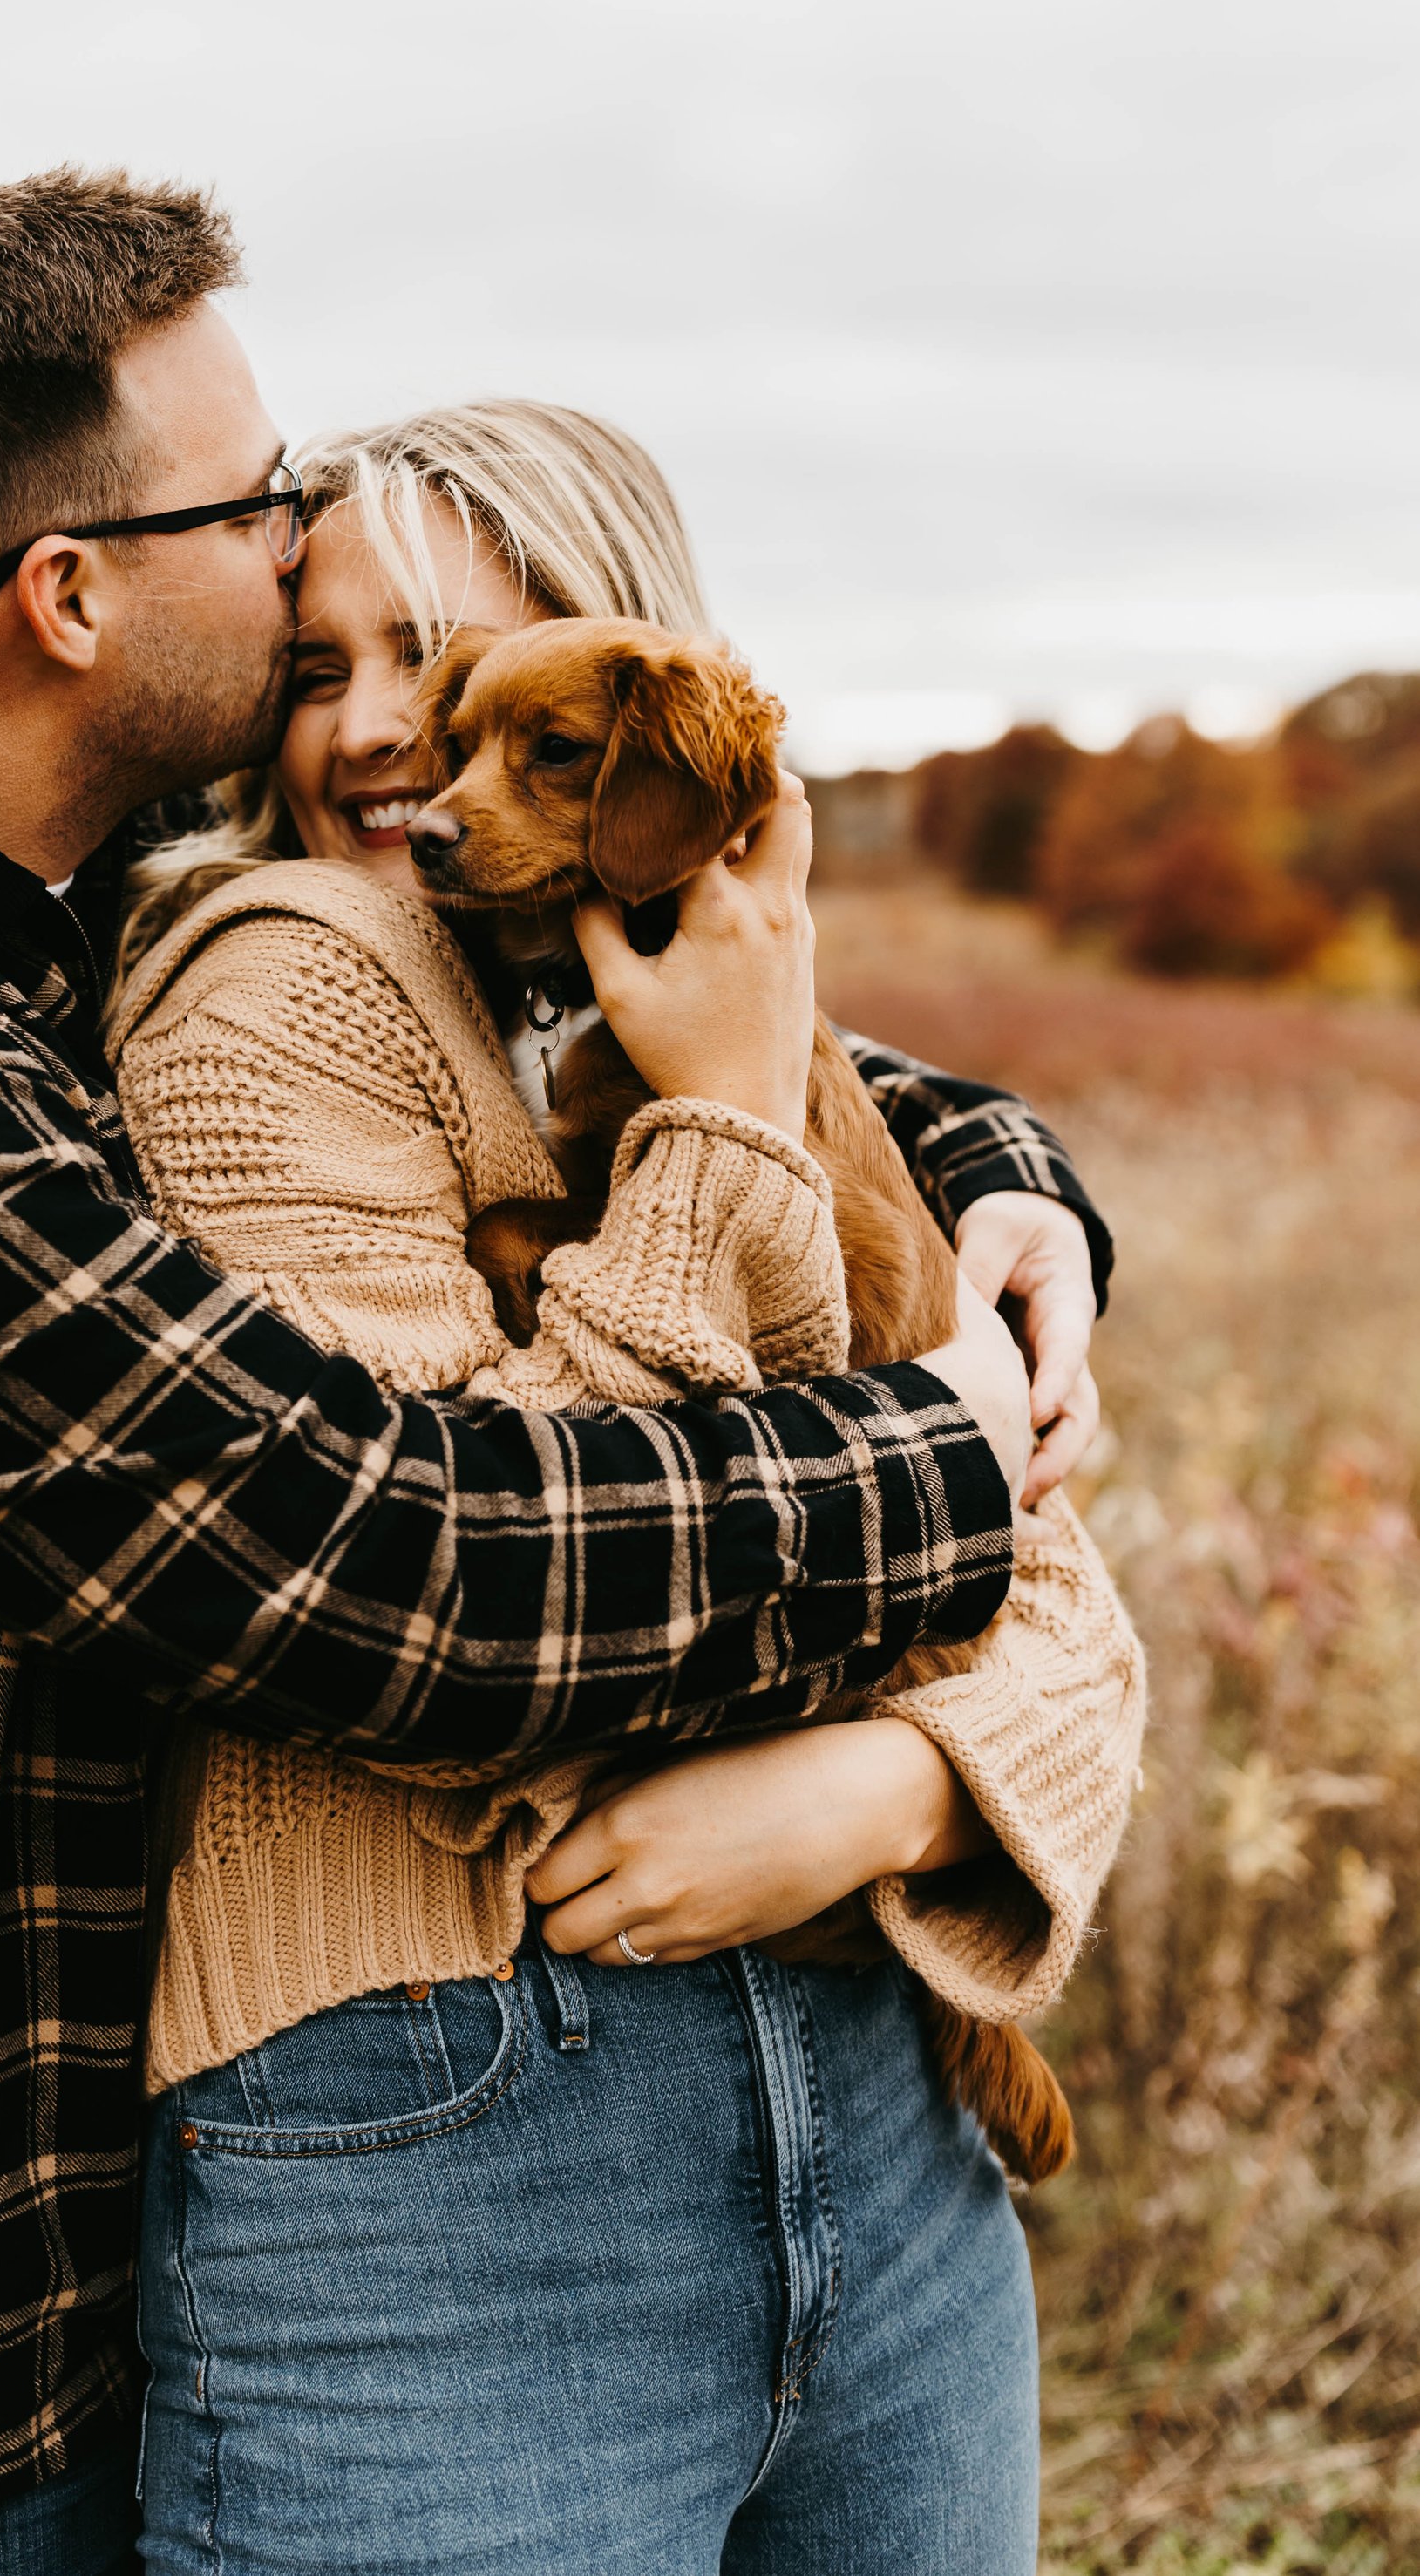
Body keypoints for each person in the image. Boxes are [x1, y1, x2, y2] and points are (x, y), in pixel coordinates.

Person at [0, 173, 1053, 2573]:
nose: (303, 533)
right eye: (264, 494)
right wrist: (953, 1453)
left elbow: (613, 1043)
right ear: (67, 594)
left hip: (171, 2228)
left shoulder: (21, 881)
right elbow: (390, 1563)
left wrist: (1008, 1178)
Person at [110, 401, 1143, 2575]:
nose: (394, 741)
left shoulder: (667, 1004)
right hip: (450, 2122)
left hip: (868, 2076)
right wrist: (722, 1130)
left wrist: (895, 1796)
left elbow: (1041, 1578)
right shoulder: (270, 987)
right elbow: (506, 1570)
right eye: (319, 670)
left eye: (458, 670)